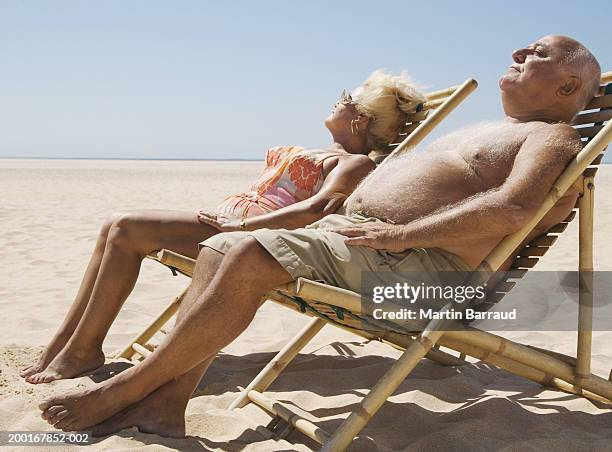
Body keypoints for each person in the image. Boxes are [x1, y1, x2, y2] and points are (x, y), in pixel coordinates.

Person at [38, 35, 601, 438]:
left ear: (568, 85)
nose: (518, 55)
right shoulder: (499, 128)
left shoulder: (552, 138)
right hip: (373, 244)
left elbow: (514, 209)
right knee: (223, 246)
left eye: (537, 54)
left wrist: (401, 232)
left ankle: (128, 388)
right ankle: (165, 405)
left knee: (245, 252)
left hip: (425, 275)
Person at [21, 69, 426, 384]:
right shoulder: (326, 152)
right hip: (232, 227)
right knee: (115, 225)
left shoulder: (356, 163)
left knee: (126, 227)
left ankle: (83, 351)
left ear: (360, 120)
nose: (336, 101)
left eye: (345, 98)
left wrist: (241, 224)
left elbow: (316, 211)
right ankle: (67, 344)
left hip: (246, 240)